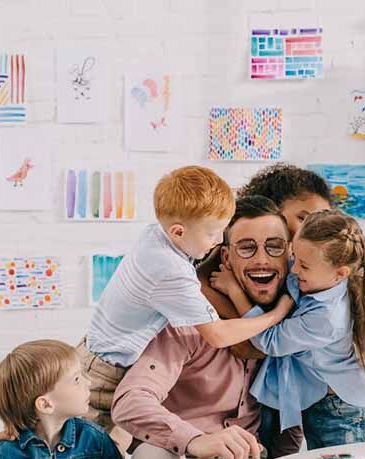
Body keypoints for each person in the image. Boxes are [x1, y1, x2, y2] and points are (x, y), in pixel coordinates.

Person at [80, 166, 292, 443]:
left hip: (99, 354)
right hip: (105, 373)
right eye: (213, 233)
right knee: (87, 455)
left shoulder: (157, 234)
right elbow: (218, 335)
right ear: (178, 232)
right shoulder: (170, 270)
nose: (217, 242)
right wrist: (276, 315)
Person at [112, 196, 292, 459]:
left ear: (289, 255)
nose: (262, 259)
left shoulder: (295, 328)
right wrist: (195, 439)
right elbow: (130, 401)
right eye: (247, 247)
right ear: (225, 258)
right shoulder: (188, 323)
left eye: (274, 246)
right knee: (152, 456)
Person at [211, 210, 365, 449]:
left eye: (303, 265)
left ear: (340, 273)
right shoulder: (316, 276)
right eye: (294, 256)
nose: (293, 270)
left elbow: (269, 341)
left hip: (341, 411)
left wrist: (234, 290)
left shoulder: (326, 318)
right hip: (318, 398)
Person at [198, 164, 334, 457]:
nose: (314, 228)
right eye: (303, 218)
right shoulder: (214, 262)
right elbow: (247, 345)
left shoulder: (306, 270)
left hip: (288, 392)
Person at [0, 340, 128, 459]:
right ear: (46, 404)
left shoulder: (97, 440)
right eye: (76, 379)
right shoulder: (1, 456)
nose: (88, 383)